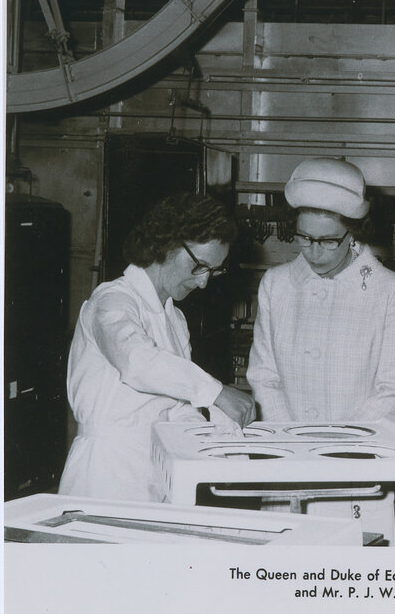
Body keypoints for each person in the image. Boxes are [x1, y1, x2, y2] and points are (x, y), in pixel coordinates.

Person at [60, 192, 255, 502]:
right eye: (199, 266)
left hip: (157, 473)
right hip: (105, 473)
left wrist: (217, 444)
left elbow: (177, 409)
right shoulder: (112, 300)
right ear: (166, 245)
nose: (204, 283)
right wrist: (217, 392)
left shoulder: (174, 318)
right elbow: (138, 364)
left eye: (214, 270)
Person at [247, 157, 395, 422]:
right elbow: (263, 376)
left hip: (356, 449)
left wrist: (342, 442)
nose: (314, 253)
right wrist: (291, 438)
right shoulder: (275, 284)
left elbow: (393, 388)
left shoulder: (390, 291)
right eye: (304, 237)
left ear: (353, 234)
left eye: (328, 241)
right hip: (288, 447)